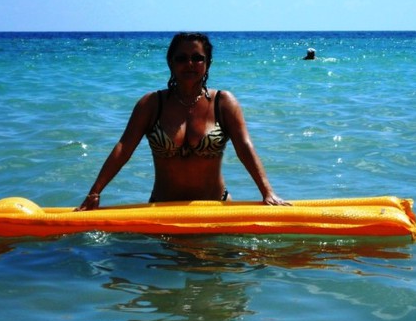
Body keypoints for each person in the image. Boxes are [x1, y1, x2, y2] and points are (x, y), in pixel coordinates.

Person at [77, 32, 289, 210]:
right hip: (162, 208)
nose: (190, 64)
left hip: (215, 207)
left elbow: (245, 147)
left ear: (208, 63)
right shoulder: (151, 104)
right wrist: (95, 192)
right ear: (171, 62)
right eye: (181, 58)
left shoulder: (223, 102)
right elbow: (123, 148)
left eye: (197, 58)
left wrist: (267, 192)